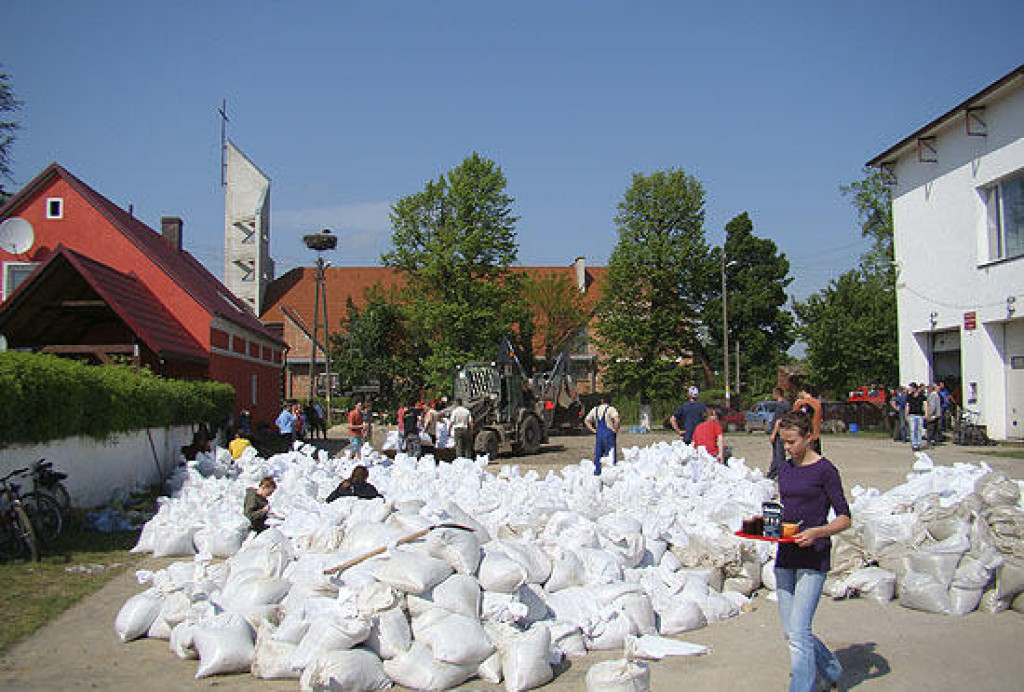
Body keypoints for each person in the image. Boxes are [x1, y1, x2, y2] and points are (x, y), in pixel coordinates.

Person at [774, 411, 851, 692]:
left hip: (813, 555)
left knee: (799, 631)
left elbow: (845, 517)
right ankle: (831, 668)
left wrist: (818, 532)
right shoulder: (785, 468)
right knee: (791, 631)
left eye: (792, 442)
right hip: (786, 555)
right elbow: (786, 507)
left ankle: (803, 687)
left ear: (809, 438)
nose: (787, 448)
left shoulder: (825, 470)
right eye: (784, 442)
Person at [584, 396, 620, 475]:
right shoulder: (611, 409)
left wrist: (593, 430)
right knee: (610, 454)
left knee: (598, 454)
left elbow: (586, 420)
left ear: (601, 401)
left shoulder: (595, 409)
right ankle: (610, 473)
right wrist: (615, 429)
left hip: (599, 434)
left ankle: (597, 472)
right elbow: (617, 420)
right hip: (609, 434)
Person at [792, 385, 823, 454]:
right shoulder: (818, 403)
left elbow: (794, 417)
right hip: (815, 434)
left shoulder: (800, 403)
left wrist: (796, 404)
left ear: (803, 392)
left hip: (804, 434)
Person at [767, 387, 789, 479]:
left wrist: (773, 434)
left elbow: (779, 421)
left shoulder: (781, 405)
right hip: (783, 431)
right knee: (778, 455)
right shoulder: (786, 404)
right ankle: (773, 474)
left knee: (778, 455)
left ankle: (779, 474)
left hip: (779, 433)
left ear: (777, 394)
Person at [906, 382, 927, 451]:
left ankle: (918, 444)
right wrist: (906, 414)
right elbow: (907, 405)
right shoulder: (909, 396)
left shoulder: (921, 395)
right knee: (912, 430)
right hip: (912, 414)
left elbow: (925, 404)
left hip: (919, 414)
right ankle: (914, 444)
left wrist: (926, 413)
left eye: (911, 388)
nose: (910, 389)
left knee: (919, 430)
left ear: (915, 388)